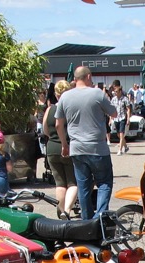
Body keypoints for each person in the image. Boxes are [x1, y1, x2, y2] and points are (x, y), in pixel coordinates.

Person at [56, 65, 116, 221]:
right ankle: (100, 219)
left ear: (75, 79)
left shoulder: (65, 97)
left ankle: (87, 222)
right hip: (97, 148)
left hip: (77, 148)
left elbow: (58, 124)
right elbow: (114, 113)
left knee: (83, 187)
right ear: (88, 76)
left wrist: (64, 144)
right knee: (104, 183)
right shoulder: (97, 93)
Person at [44, 80, 78, 219]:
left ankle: (61, 209)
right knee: (72, 182)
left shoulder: (50, 109)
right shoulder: (71, 109)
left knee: (59, 183)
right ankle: (67, 210)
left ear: (56, 94)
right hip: (68, 147)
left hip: (52, 147)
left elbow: (45, 130)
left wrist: (53, 137)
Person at [109, 84, 131, 155]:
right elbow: (111, 109)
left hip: (122, 117)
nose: (115, 93)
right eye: (114, 92)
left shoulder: (125, 99)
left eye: (116, 91)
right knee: (118, 134)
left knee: (121, 134)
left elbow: (128, 109)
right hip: (116, 118)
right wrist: (110, 118)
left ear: (120, 91)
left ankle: (120, 150)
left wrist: (128, 119)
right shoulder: (113, 99)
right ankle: (125, 146)